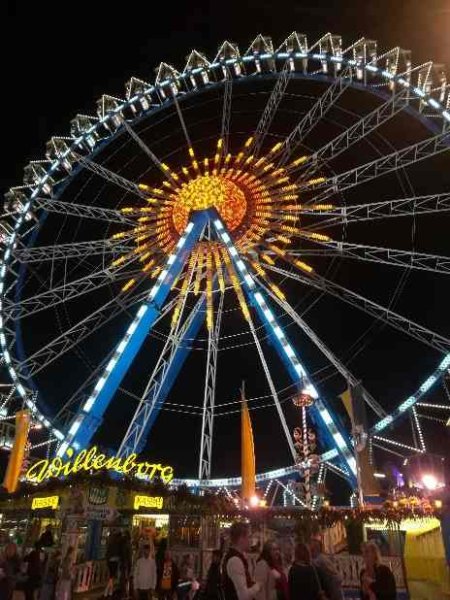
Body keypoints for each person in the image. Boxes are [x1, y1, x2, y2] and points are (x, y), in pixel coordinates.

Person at [223, 522, 260, 600]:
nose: (251, 541)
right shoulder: (235, 560)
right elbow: (244, 596)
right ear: (241, 539)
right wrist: (259, 585)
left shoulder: (239, 558)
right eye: (249, 537)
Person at [104, 531, 122, 597]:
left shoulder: (111, 543)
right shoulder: (118, 543)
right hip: (115, 560)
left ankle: (109, 590)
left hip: (110, 560)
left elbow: (108, 552)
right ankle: (108, 590)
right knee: (112, 576)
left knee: (111, 576)